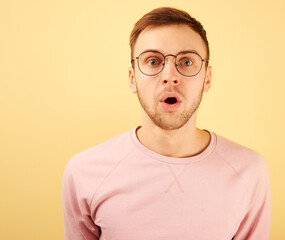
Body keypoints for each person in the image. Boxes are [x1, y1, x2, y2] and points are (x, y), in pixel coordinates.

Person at [62, 7, 271, 240]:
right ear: (133, 79)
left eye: (186, 62)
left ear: (207, 79)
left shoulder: (249, 171)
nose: (170, 76)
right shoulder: (83, 172)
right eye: (153, 61)